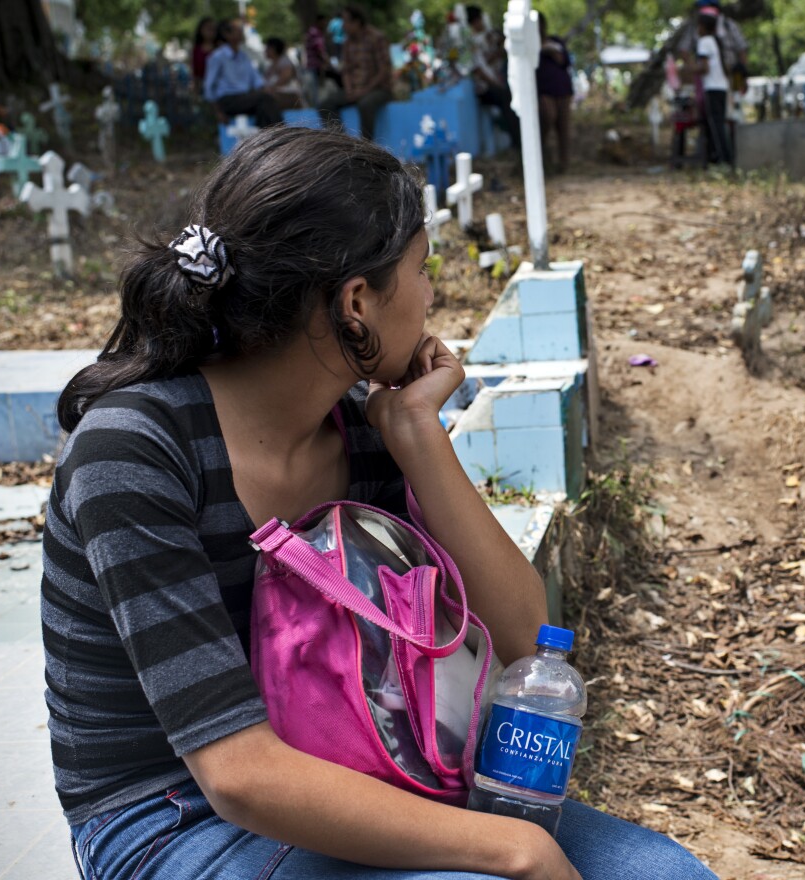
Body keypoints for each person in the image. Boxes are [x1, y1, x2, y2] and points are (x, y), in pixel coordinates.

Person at [43, 126, 719, 880]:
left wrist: (418, 437)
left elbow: (532, 641)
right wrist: (516, 849)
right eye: (423, 270)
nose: (432, 296)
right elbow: (237, 774)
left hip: (375, 763)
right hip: (177, 814)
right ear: (357, 301)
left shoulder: (363, 429)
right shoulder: (132, 453)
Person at [318, 5, 392, 141]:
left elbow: (384, 70)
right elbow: (346, 70)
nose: (343, 26)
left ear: (356, 22)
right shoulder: (347, 42)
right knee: (325, 104)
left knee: (365, 104)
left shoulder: (376, 38)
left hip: (377, 89)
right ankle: (340, 143)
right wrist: (349, 89)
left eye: (346, 21)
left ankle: (366, 147)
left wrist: (364, 91)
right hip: (355, 89)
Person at [203, 18, 282, 127]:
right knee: (264, 99)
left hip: (244, 98)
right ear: (226, 34)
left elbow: (256, 79)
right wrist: (218, 111)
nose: (241, 31)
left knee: (265, 104)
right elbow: (209, 86)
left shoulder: (243, 56)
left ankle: (268, 138)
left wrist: (267, 89)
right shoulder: (218, 57)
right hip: (228, 100)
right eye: (237, 29)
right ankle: (277, 135)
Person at [467, 4, 521, 149]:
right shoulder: (470, 42)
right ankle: (517, 141)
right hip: (486, 89)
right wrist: (498, 86)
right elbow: (479, 72)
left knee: (511, 97)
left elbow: (503, 47)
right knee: (507, 98)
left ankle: (517, 139)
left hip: (497, 82)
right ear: (475, 21)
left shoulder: (488, 36)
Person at [536, 13, 573, 171]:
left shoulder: (555, 41)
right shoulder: (530, 46)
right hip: (544, 90)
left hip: (562, 89)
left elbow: (564, 61)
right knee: (548, 117)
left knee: (563, 127)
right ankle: (543, 158)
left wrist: (551, 51)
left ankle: (563, 163)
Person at [695, 10, 732, 167]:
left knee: (715, 125)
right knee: (718, 123)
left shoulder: (704, 42)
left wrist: (689, 68)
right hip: (722, 86)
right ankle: (719, 157)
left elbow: (705, 68)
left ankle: (723, 159)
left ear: (703, 27)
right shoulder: (716, 41)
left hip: (712, 87)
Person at [676, 0, 747, 81]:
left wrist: (741, 74)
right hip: (706, 81)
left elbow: (742, 48)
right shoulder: (695, 28)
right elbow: (683, 49)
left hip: (730, 75)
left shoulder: (729, 25)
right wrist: (695, 68)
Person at [304, 14, 342, 106]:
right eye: (324, 22)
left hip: (316, 67)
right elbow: (320, 51)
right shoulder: (315, 33)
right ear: (319, 22)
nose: (325, 24)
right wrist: (331, 64)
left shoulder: (315, 32)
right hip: (315, 67)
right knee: (317, 93)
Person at [264, 37, 305, 110]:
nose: (265, 51)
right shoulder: (271, 65)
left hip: (289, 97)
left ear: (273, 49)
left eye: (267, 48)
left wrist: (270, 89)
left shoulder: (284, 62)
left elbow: (285, 77)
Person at [190, 17, 218, 92]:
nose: (210, 32)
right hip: (203, 85)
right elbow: (195, 71)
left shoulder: (220, 48)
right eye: (207, 29)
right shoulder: (197, 50)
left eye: (212, 29)